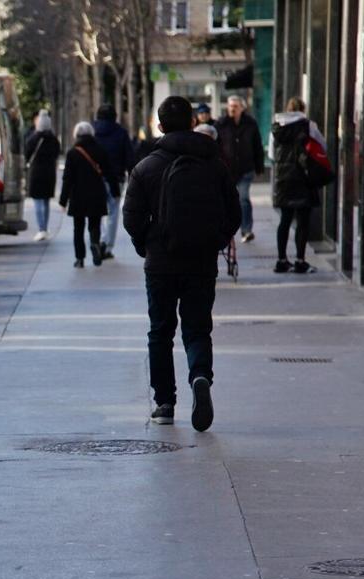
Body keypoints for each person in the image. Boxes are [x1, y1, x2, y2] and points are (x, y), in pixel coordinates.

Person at [123, 96, 241, 431]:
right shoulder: (214, 163)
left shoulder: (145, 167)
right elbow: (234, 213)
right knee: (197, 327)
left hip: (160, 263)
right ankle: (200, 375)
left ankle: (164, 402)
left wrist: (147, 243)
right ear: (193, 122)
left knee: (160, 331)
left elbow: (131, 217)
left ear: (159, 127)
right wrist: (214, 241)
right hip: (201, 262)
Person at [271, 97, 325, 274]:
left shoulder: (276, 126)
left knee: (284, 221)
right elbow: (321, 146)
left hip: (283, 179)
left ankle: (281, 260)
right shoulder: (309, 126)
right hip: (303, 178)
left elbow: (272, 154)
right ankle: (300, 260)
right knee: (302, 222)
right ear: (303, 109)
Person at [60, 121, 118, 267]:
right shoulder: (100, 150)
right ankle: (95, 244)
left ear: (76, 135)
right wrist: (115, 190)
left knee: (78, 227)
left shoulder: (72, 153)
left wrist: (63, 200)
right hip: (96, 193)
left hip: (78, 194)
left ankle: (80, 259)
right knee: (95, 224)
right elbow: (109, 172)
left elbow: (67, 178)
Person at [215, 95, 264, 243]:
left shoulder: (251, 124)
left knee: (243, 198)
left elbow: (257, 145)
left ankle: (246, 230)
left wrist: (259, 166)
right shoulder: (221, 124)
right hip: (226, 169)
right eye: (230, 106)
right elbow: (215, 145)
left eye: (235, 106)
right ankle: (224, 229)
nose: (232, 109)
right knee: (224, 200)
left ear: (242, 108)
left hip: (245, 169)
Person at [92, 104, 134, 260]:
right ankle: (108, 245)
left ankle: (100, 238)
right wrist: (131, 175)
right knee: (113, 211)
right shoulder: (121, 132)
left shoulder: (92, 130)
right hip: (116, 178)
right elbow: (129, 156)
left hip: (95, 177)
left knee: (97, 211)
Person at [24, 110, 61, 241]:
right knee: (45, 201)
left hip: (36, 173)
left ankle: (41, 229)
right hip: (50, 173)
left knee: (38, 201)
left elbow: (27, 155)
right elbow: (57, 153)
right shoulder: (54, 139)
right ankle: (44, 227)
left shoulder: (33, 139)